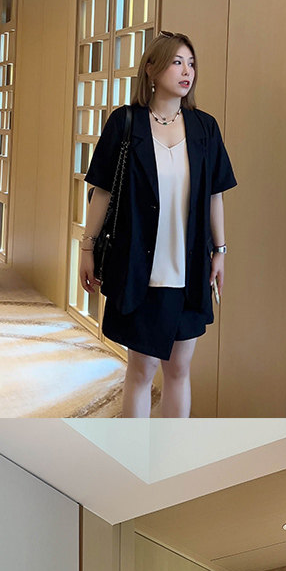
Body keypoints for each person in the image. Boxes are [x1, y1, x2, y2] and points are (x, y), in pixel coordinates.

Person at [80, 30, 236, 420]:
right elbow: (102, 191)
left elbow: (215, 195)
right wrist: (87, 247)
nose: (187, 71)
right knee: (142, 370)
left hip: (188, 271)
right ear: (151, 68)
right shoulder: (125, 123)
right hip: (140, 269)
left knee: (179, 369)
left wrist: (220, 251)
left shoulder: (204, 128)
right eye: (176, 62)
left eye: (191, 63)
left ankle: (171, 450)